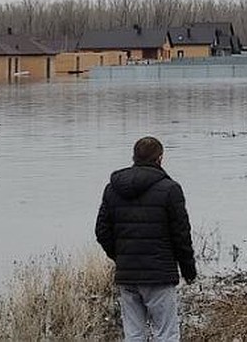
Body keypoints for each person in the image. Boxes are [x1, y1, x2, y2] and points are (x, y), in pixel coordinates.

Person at [95, 136, 197, 342]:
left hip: (128, 274)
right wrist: (189, 271)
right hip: (159, 275)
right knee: (166, 334)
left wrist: (120, 256)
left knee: (133, 335)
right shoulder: (170, 189)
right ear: (160, 158)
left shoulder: (112, 188)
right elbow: (181, 235)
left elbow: (102, 231)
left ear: (134, 157)